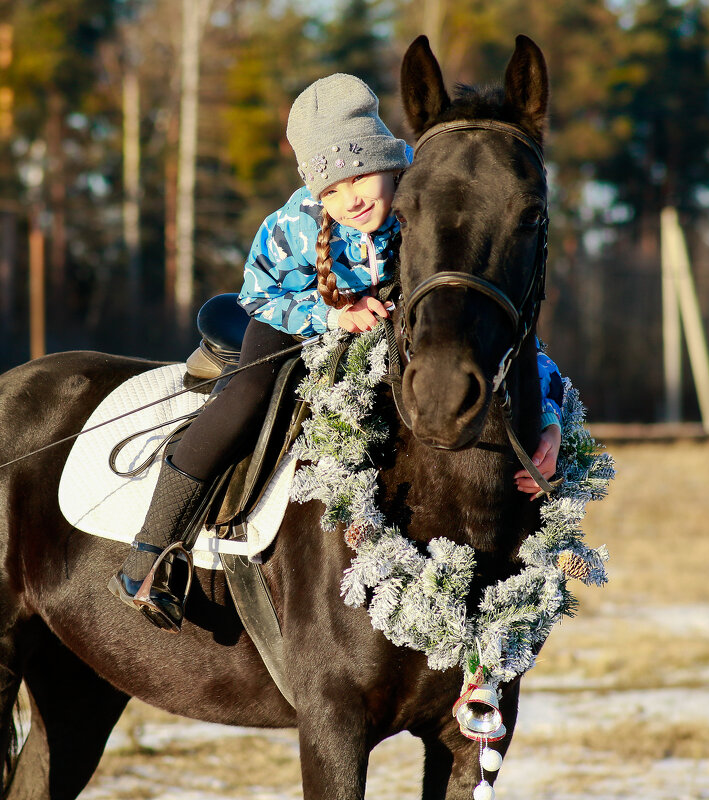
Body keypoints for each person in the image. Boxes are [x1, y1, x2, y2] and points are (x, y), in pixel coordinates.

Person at [109, 73, 564, 631]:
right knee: (248, 395)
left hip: (387, 325)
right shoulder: (291, 228)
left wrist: (551, 413)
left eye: (363, 175)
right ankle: (153, 547)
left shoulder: (419, 204)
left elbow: (494, 324)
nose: (352, 198)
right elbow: (257, 297)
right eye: (333, 188)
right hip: (293, 316)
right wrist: (331, 317)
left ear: (391, 164)